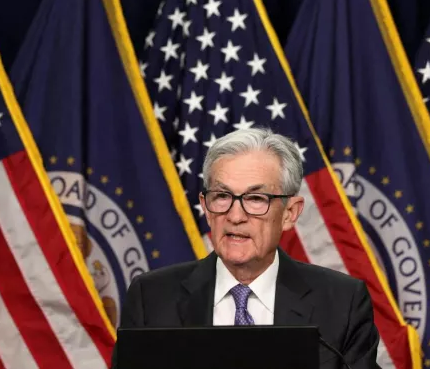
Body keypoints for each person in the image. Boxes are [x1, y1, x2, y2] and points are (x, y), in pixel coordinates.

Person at [111, 127, 381, 369]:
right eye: (222, 196)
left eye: (255, 198)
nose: (235, 215)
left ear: (290, 213)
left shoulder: (342, 303)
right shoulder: (152, 298)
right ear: (205, 207)